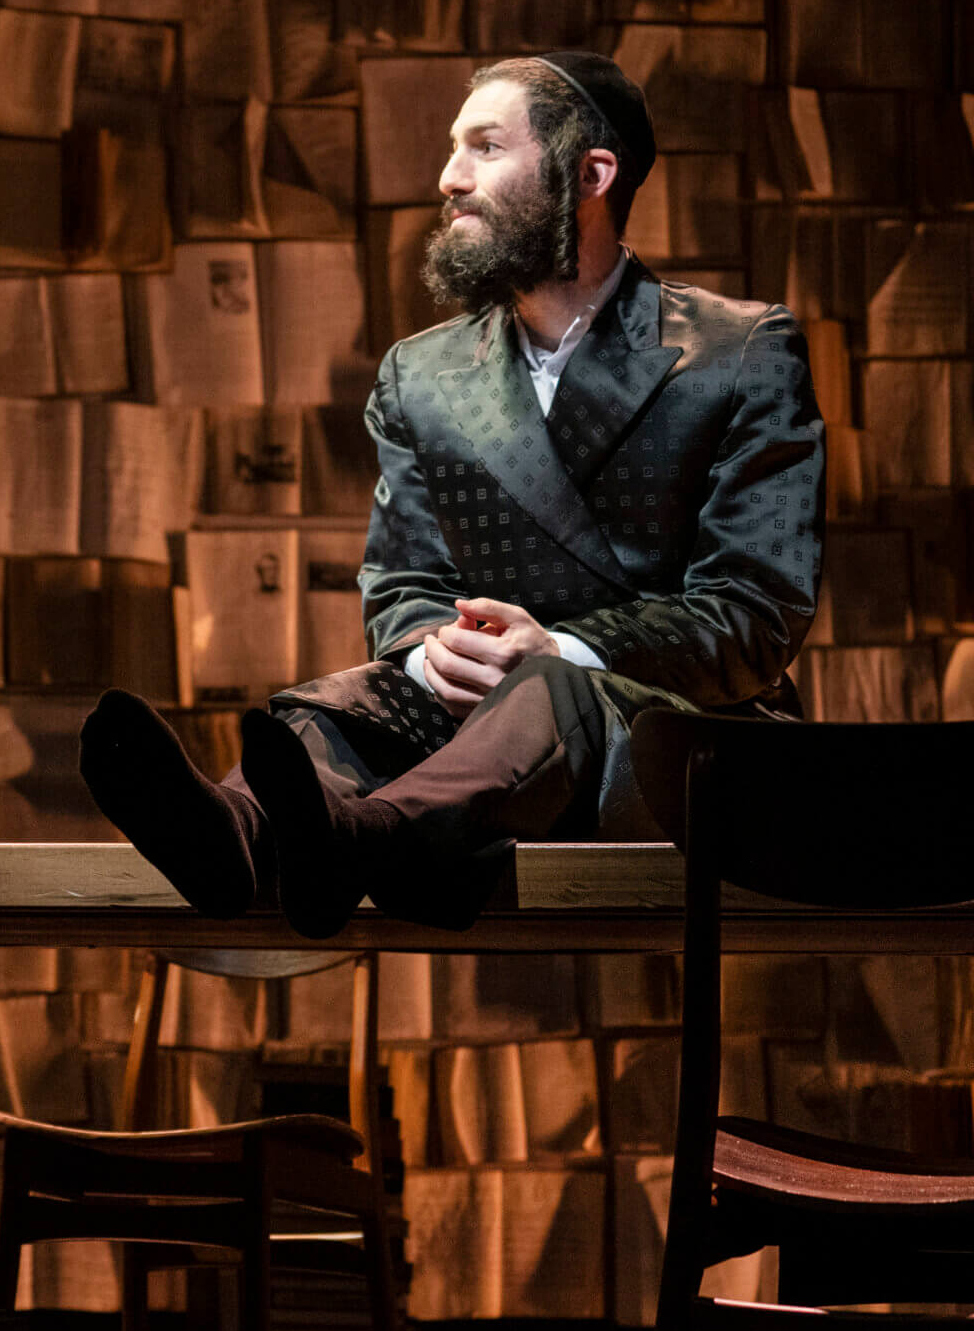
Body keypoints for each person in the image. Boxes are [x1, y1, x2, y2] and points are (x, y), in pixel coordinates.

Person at [80, 52, 824, 938]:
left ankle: (373, 835)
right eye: (451, 148)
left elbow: (757, 608)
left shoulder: (739, 353)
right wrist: (439, 655)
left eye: (484, 146)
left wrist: (561, 647)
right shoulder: (423, 373)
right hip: (473, 728)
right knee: (343, 703)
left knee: (549, 691)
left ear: (590, 173)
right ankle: (236, 834)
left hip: (681, 746)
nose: (448, 177)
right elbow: (402, 589)